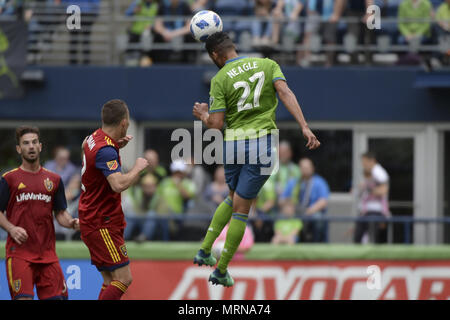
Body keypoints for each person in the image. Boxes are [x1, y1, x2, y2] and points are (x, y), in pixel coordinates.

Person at [191, 32, 320, 287]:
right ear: (233, 47)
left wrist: (203, 116)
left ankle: (205, 250)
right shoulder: (268, 65)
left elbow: (215, 125)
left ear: (215, 55)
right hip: (262, 144)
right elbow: (285, 92)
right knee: (242, 208)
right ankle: (221, 269)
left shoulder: (219, 78)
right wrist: (304, 126)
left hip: (232, 144)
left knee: (232, 197)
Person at [78, 99, 149, 300]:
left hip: (92, 219)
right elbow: (117, 184)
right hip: (102, 223)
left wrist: (116, 146)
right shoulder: (106, 150)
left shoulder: (94, 138)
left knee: (110, 281)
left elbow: (86, 146)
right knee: (124, 279)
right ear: (124, 123)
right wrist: (137, 168)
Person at [0, 126, 80, 300]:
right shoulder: (9, 179)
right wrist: (12, 229)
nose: (31, 146)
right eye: (26, 143)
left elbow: (60, 213)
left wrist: (72, 222)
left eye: (34, 142)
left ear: (40, 146)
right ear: (19, 149)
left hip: (48, 255)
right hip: (19, 254)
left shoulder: (54, 180)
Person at [280, 157, 329, 242]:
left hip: (311, 211)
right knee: (279, 216)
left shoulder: (319, 182)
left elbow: (323, 201)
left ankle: (317, 244)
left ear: (312, 168)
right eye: (302, 168)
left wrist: (310, 210)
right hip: (295, 212)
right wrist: (288, 205)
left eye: (307, 168)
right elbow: (282, 200)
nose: (305, 170)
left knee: (318, 217)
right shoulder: (294, 182)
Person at [150, 159, 197, 240]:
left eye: (180, 172)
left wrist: (178, 185)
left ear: (184, 172)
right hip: (160, 213)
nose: (178, 174)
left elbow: (188, 197)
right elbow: (157, 197)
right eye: (176, 172)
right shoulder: (165, 182)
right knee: (151, 214)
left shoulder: (188, 183)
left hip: (177, 215)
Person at [354, 152, 390, 244]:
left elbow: (384, 190)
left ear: (372, 161)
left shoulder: (378, 172)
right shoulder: (367, 172)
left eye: (365, 162)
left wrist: (368, 187)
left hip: (376, 211)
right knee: (358, 237)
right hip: (365, 211)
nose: (363, 165)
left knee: (373, 239)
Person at [62, 0, 100, 64]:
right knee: (79, 39)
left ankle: (77, 62)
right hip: (82, 11)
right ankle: (81, 62)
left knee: (78, 39)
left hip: (77, 11)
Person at [122, 173, 158, 241]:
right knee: (130, 214)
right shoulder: (139, 194)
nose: (148, 188)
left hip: (155, 221)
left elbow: (161, 212)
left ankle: (143, 237)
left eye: (151, 186)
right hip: (140, 217)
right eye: (146, 186)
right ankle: (122, 237)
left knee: (151, 214)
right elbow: (136, 208)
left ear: (155, 186)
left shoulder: (159, 196)